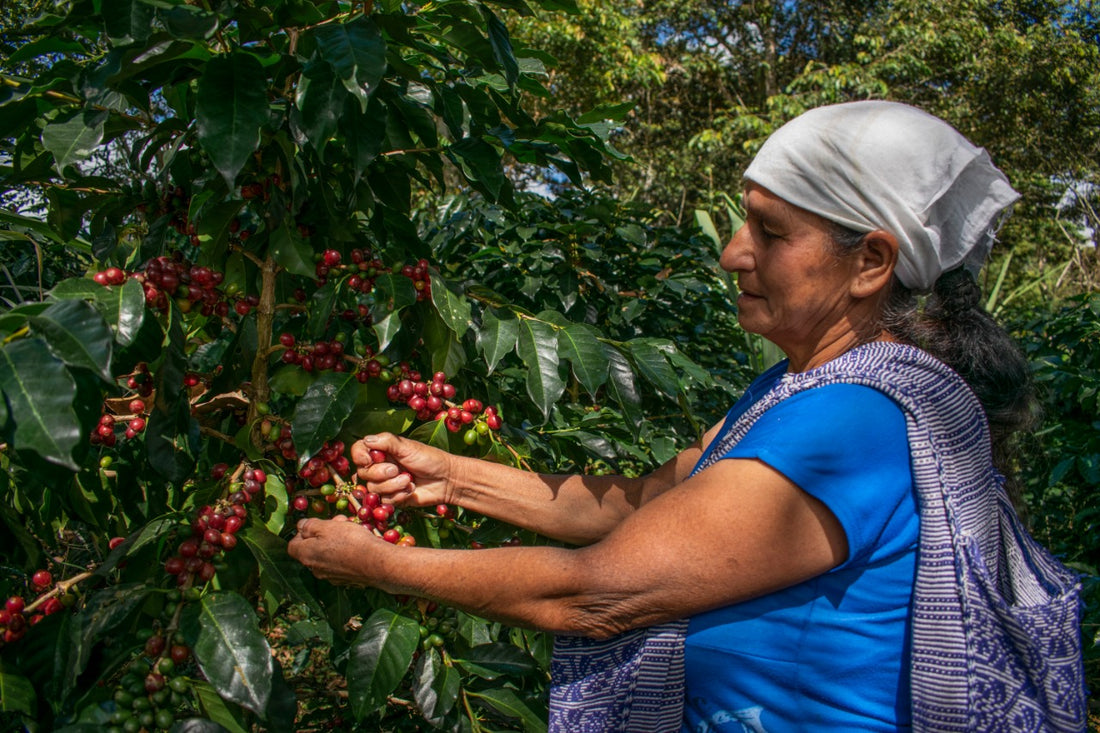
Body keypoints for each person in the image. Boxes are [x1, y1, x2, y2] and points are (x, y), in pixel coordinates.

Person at [289, 101, 1085, 732]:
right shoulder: (800, 387)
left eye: (771, 232)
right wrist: (453, 476)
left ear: (871, 263)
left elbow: (595, 595)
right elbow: (648, 499)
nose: (735, 252)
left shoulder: (853, 421)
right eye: (745, 221)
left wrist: (381, 566)